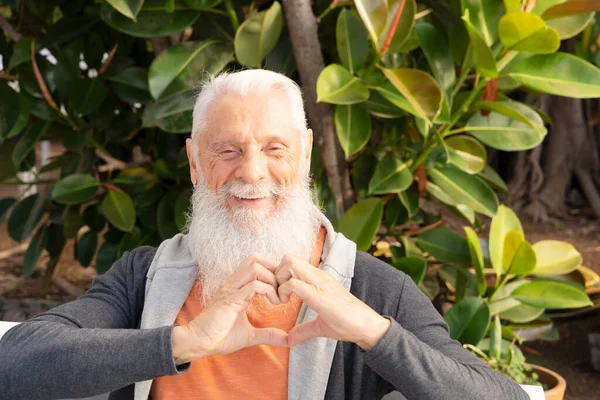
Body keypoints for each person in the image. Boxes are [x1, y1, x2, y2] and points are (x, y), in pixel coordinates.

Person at [0, 69, 528, 400]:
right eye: (227, 150)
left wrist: (372, 332)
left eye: (274, 149)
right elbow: (14, 365)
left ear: (303, 155)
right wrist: (183, 343)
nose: (251, 172)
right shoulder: (145, 273)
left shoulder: (370, 288)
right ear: (193, 162)